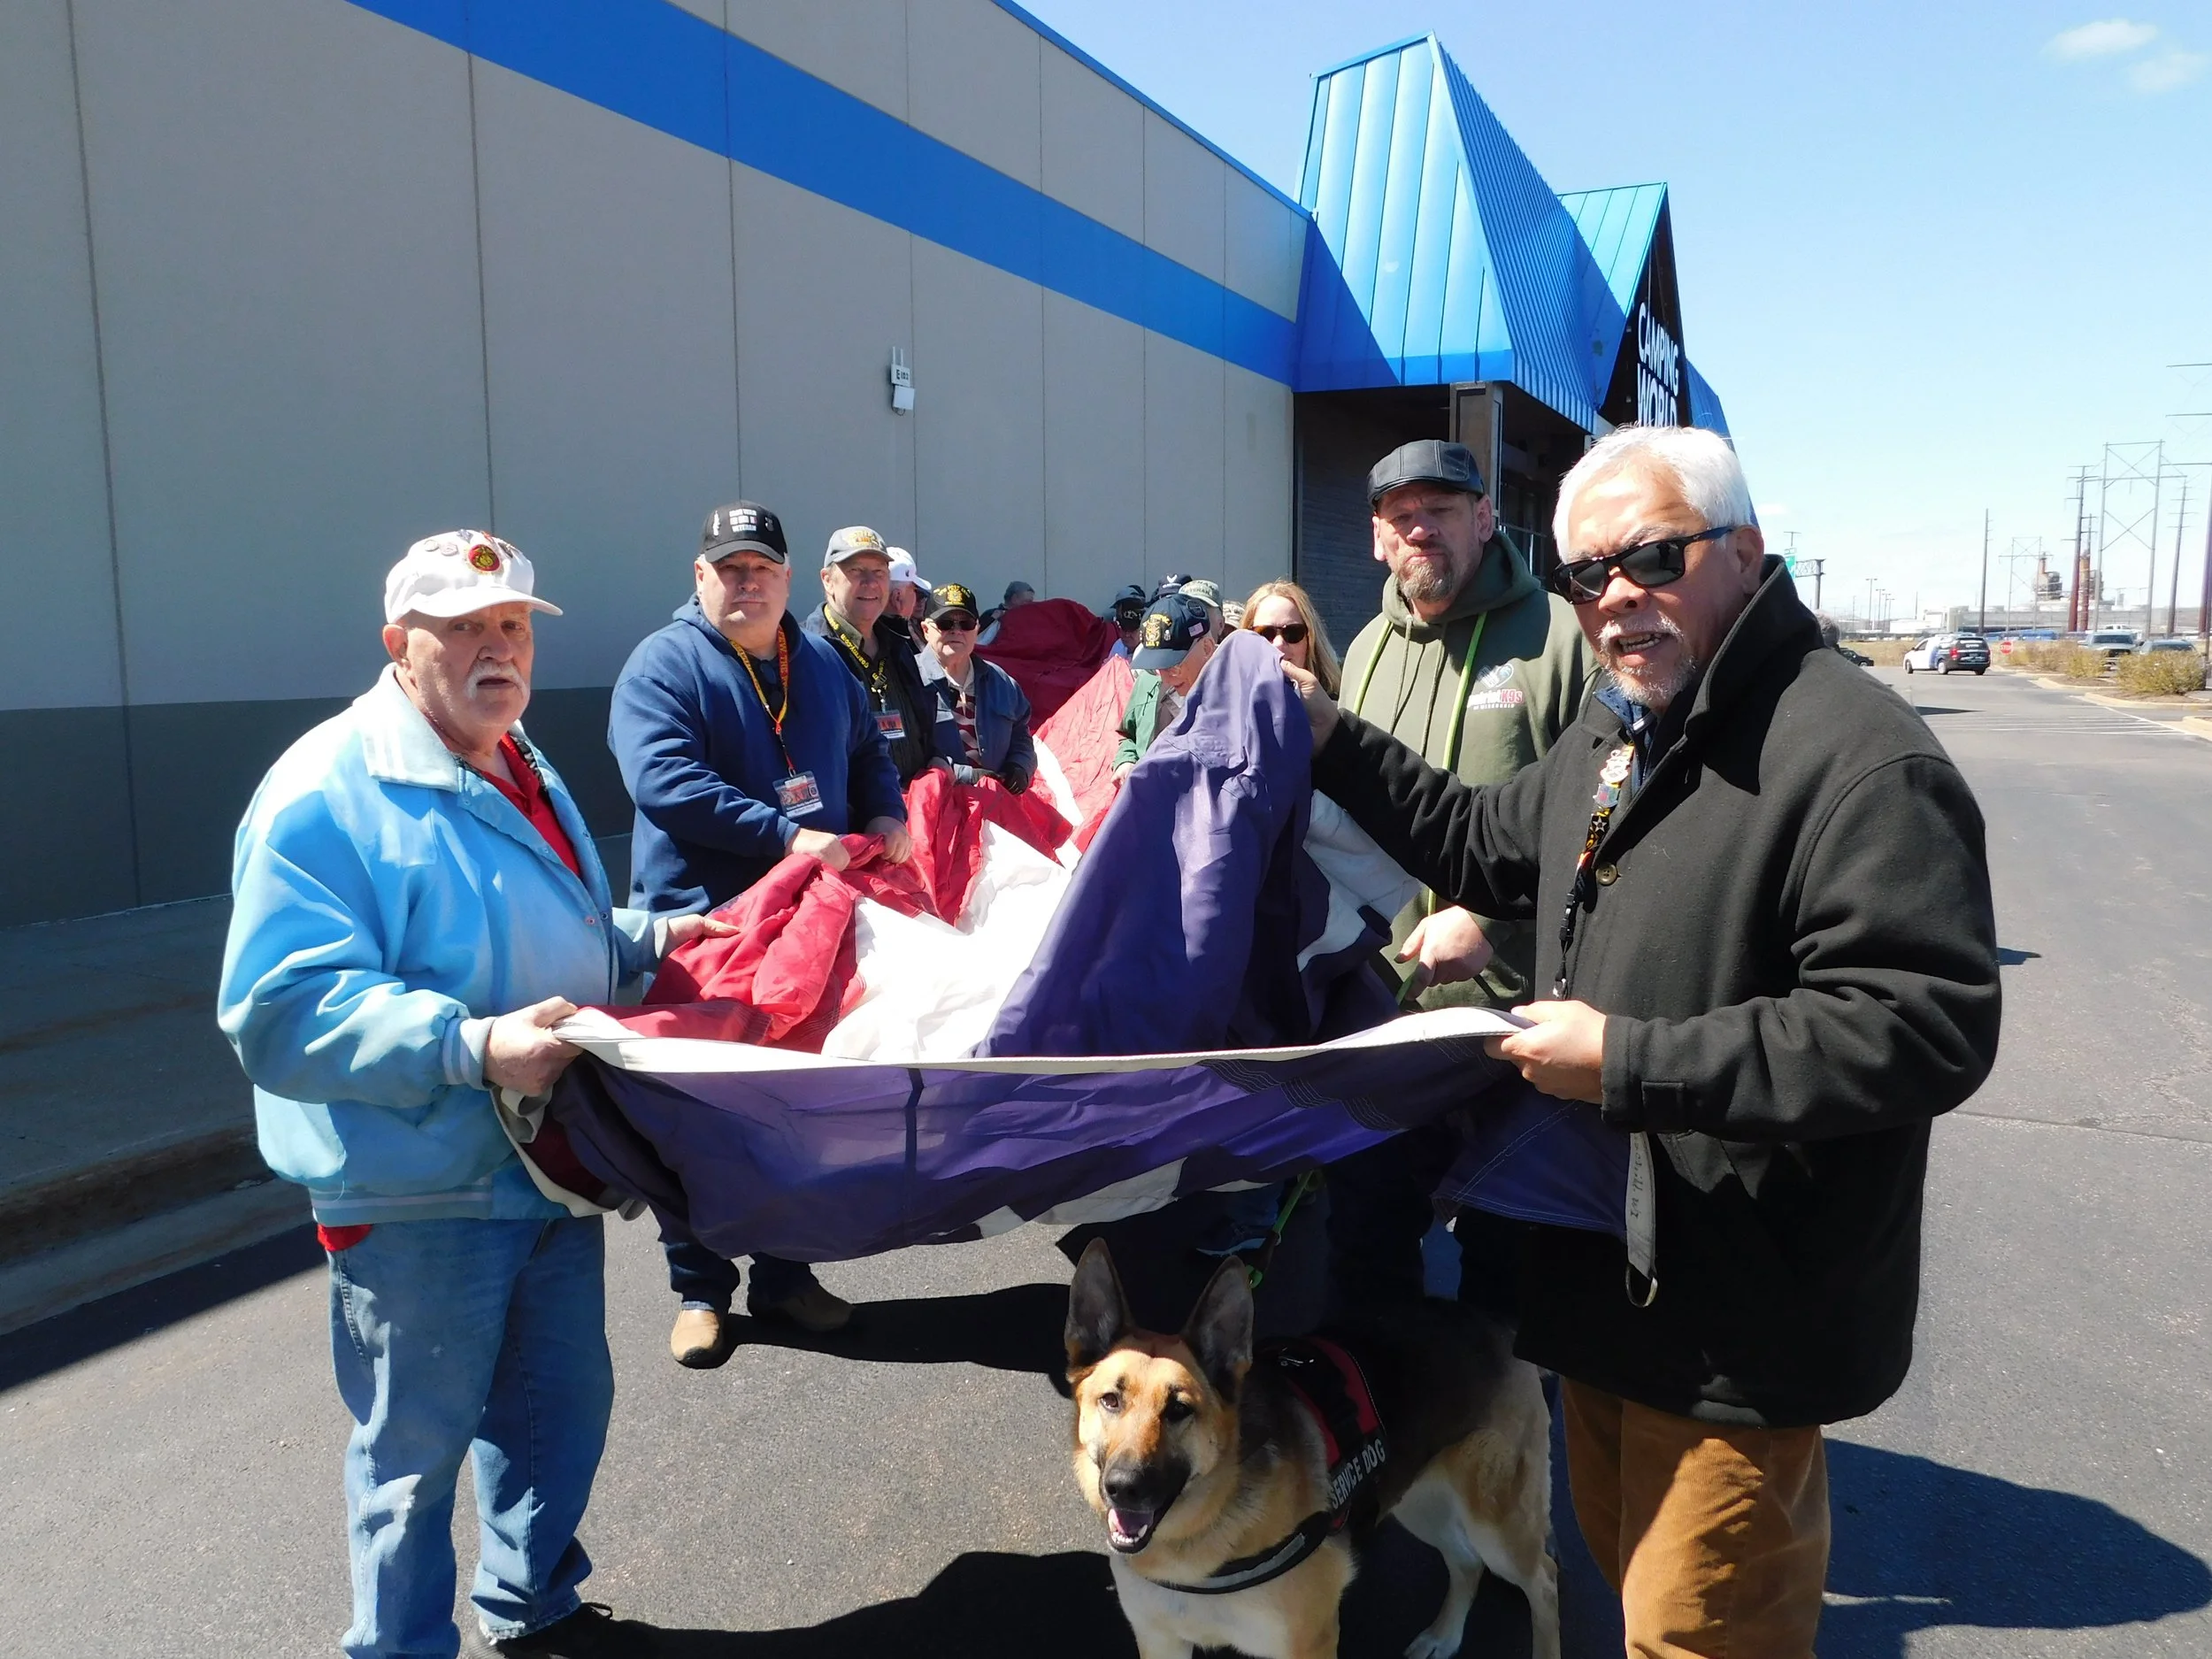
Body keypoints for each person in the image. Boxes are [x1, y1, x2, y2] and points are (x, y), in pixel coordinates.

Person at [1285, 425, 2001, 1658]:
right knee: (1626, 1592)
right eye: (1586, 575)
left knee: (1699, 1631)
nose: (1617, 596)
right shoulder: (1625, 732)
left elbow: (1922, 1022)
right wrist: (1327, 734)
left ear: (1746, 551)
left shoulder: (1855, 756)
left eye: (1651, 556)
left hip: (1738, 1321)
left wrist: (1626, 1059)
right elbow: (1478, 837)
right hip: (1604, 1290)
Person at [219, 531, 732, 1658]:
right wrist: (471, 1043)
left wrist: (659, 939)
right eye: (463, 629)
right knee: (412, 1463)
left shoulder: (516, 758)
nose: (498, 648)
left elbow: (557, 928)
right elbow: (281, 1009)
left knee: (556, 1419)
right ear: (401, 647)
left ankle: (531, 1607)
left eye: (512, 627)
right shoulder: (325, 792)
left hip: (545, 1162)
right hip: (418, 1190)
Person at [608, 499, 910, 1364]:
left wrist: (886, 810)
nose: (747, 583)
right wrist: (784, 835)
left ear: (787, 579)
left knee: (794, 1108)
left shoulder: (817, 661)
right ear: (700, 576)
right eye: (730, 569)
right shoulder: (662, 666)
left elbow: (866, 752)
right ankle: (700, 1290)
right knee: (694, 1114)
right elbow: (662, 780)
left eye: (762, 570)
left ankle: (787, 1276)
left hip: (807, 927)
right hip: (704, 930)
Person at [1324, 438, 1596, 1321]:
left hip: (1515, 1021)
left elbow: (1612, 813)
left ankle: (1505, 1445)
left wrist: (1493, 919)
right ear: (1375, 537)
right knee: (1367, 1239)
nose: (1420, 531)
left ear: (1484, 517)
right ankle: (1388, 1430)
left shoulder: (1558, 640)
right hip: (1386, 1015)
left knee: (1506, 1257)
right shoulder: (1365, 651)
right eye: (1401, 517)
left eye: (1440, 511)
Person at [803, 525, 955, 782]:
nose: (871, 583)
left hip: (916, 810)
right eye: (856, 571)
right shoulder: (805, 654)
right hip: (856, 818)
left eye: (879, 572)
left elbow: (923, 726)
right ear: (827, 580)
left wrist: (937, 758)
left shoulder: (898, 643)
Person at [918, 581, 1036, 791]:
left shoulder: (1001, 681)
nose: (956, 631)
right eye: (945, 623)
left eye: (965, 624)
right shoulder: (908, 679)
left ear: (977, 629)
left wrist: (1020, 766)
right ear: (926, 629)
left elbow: (1021, 735)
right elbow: (901, 753)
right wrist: (965, 776)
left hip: (996, 807)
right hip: (934, 809)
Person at [1111, 590, 1218, 778]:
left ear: (1207, 648)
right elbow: (1128, 734)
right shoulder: (1149, 679)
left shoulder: (1237, 692)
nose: (1164, 678)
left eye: (1173, 666)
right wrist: (1126, 760)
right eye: (1155, 665)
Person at [1239, 578, 1341, 696]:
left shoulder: (1334, 710)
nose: (1279, 644)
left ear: (1310, 641)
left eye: (1293, 632)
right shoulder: (1228, 706)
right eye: (1264, 633)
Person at [886, 547, 928, 626]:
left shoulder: (867, 631)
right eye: (915, 591)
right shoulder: (897, 634)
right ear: (897, 597)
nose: (918, 601)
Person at [1106, 583, 1148, 657]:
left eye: (1132, 629)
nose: (1127, 635)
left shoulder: (1151, 652)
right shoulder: (1118, 646)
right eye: (1123, 628)